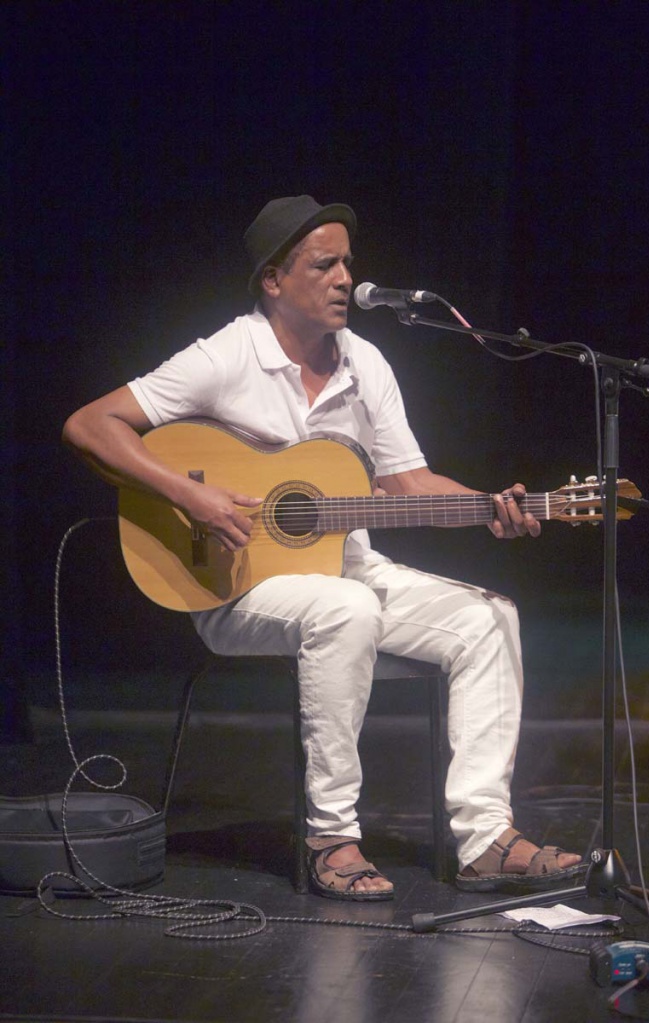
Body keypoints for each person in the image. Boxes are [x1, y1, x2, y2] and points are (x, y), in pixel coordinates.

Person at [63, 194, 584, 901]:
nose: (345, 279)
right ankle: (330, 837)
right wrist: (190, 495)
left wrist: (490, 507)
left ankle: (486, 839)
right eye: (324, 265)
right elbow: (91, 425)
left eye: (347, 263)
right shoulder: (227, 355)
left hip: (346, 567)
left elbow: (408, 483)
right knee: (346, 609)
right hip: (235, 585)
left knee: (490, 617)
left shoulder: (365, 363)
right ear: (273, 280)